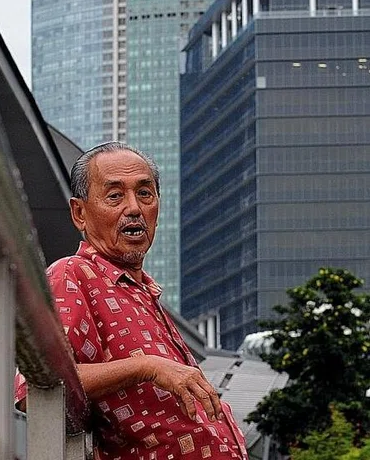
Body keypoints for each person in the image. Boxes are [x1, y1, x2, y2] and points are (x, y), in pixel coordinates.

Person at [15, 142, 248, 460]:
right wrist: (148, 366)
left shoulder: (144, 293)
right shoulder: (73, 273)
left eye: (145, 193)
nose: (134, 208)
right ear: (80, 213)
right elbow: (36, 385)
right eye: (115, 196)